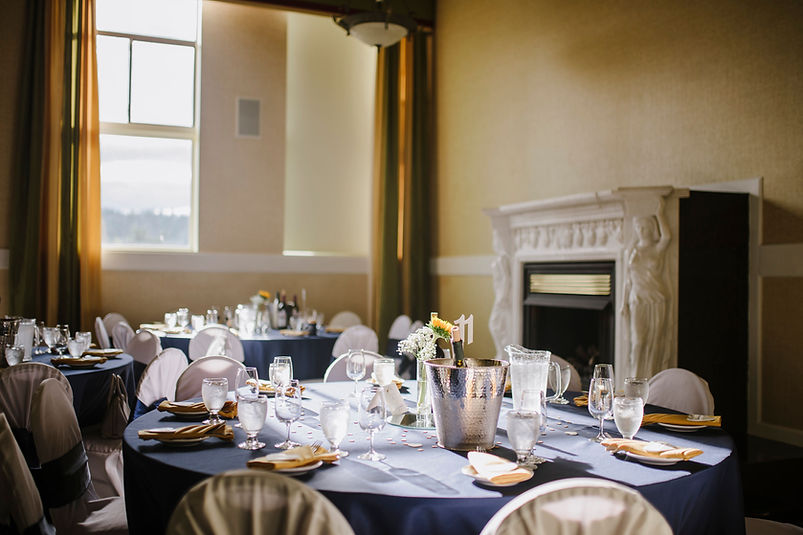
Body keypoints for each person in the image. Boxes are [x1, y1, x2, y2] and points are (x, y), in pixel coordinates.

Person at [621, 197, 671, 378]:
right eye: (638, 227)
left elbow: (667, 237)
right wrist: (623, 302)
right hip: (637, 299)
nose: (641, 231)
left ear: (651, 228)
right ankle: (634, 379)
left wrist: (660, 214)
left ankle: (652, 379)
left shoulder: (657, 249)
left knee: (655, 342)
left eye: (644, 227)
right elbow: (627, 280)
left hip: (656, 299)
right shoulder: (631, 252)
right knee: (638, 342)